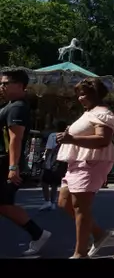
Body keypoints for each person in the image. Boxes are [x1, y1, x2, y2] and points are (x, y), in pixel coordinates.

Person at [55, 78, 114, 258]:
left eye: (84, 94)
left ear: (95, 94)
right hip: (77, 162)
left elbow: (103, 140)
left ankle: (80, 253)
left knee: (81, 207)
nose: (80, 98)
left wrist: (71, 139)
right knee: (64, 202)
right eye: (79, 94)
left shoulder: (103, 114)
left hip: (90, 162)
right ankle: (98, 234)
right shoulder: (90, 112)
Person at [0, 70, 52, 256]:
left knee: (4, 205)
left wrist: (13, 168)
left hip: (6, 165)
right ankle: (38, 234)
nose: (2, 86)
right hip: (6, 164)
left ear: (21, 85)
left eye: (6, 83)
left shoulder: (17, 108)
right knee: (5, 206)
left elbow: (16, 139)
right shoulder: (11, 105)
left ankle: (38, 234)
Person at [39, 121, 68, 211]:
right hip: (62, 161)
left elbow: (48, 149)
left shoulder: (53, 135)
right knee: (54, 183)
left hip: (52, 161)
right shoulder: (67, 136)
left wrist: (45, 161)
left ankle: (47, 201)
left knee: (44, 182)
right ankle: (52, 202)